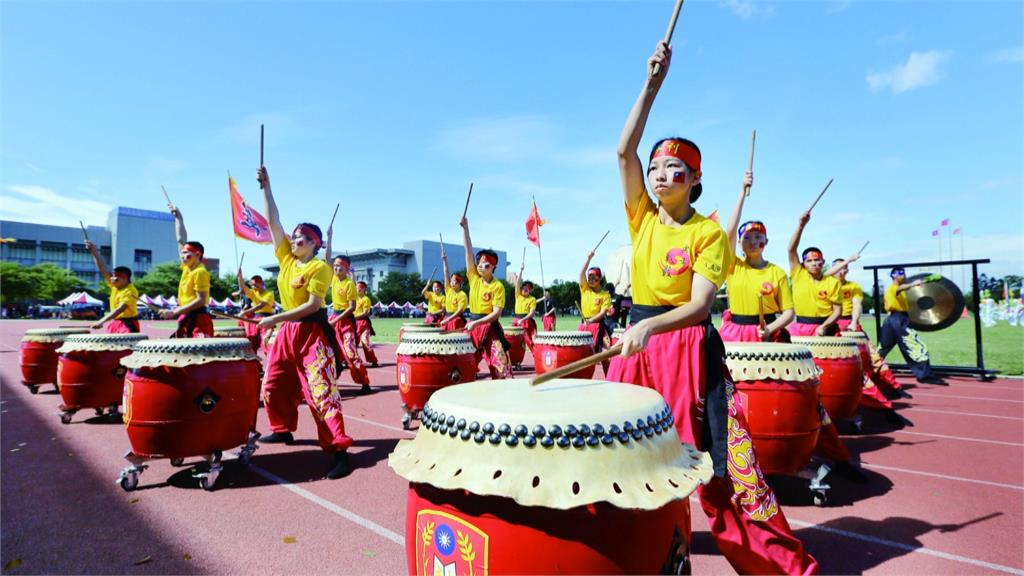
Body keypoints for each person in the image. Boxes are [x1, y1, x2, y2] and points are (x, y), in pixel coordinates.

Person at [609, 40, 817, 575]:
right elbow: (622, 151)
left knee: (719, 464)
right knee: (622, 459)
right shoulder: (642, 218)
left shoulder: (707, 234)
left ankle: (778, 564)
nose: (659, 175)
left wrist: (651, 325)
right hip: (636, 346)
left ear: (696, 180)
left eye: (674, 168)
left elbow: (701, 306)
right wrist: (651, 84)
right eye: (656, 167)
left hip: (683, 348)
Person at [722, 183, 864, 482]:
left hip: (770, 338)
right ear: (740, 242)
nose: (753, 241)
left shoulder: (776, 273)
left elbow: (788, 312)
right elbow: (729, 229)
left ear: (766, 242)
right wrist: (742, 194)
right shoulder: (733, 267)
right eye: (747, 237)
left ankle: (832, 453)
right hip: (735, 335)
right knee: (725, 400)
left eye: (759, 237)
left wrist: (771, 328)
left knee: (799, 401)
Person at [254, 165, 353, 479]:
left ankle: (339, 450)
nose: (295, 240)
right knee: (273, 384)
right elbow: (273, 220)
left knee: (322, 391)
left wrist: (275, 318)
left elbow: (311, 305)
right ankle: (282, 429)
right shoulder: (286, 259)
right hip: (286, 333)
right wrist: (266, 188)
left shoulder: (319, 269)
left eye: (302, 238)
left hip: (311, 333)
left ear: (315, 244)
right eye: (294, 236)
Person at [460, 216, 511, 379]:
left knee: (500, 367)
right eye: (480, 264)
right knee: (463, 366)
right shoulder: (474, 279)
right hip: (473, 328)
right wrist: (465, 229)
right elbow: (468, 251)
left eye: (486, 265)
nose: (482, 267)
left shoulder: (498, 286)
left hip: (490, 328)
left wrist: (476, 323)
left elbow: (496, 314)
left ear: (494, 266)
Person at [880, 267, 944, 384]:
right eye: (900, 273)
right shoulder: (893, 288)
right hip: (898, 320)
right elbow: (900, 288)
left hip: (891, 321)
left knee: (882, 349)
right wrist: (913, 284)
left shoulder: (898, 290)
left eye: (904, 273)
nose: (903, 275)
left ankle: (865, 371)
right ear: (893, 275)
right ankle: (925, 376)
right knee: (918, 347)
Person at [787, 211, 841, 337]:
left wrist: (824, 327)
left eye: (817, 260)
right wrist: (801, 225)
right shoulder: (798, 274)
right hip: (800, 327)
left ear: (823, 262)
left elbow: (837, 312)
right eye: (809, 261)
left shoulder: (833, 283)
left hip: (827, 328)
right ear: (803, 264)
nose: (814, 263)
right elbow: (791, 249)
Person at [163, 203, 213, 337]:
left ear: (198, 254)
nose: (183, 256)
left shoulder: (200, 272)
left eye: (187, 253)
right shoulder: (187, 267)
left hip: (199, 319)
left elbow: (201, 300)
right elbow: (180, 240)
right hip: (186, 316)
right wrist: (178, 217)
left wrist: (175, 311)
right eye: (182, 253)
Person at [327, 249, 372, 395]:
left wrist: (336, 320)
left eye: (340, 266)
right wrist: (329, 237)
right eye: (335, 266)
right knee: (329, 352)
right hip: (334, 319)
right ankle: (333, 375)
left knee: (351, 353)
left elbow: (351, 308)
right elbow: (327, 258)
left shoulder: (349, 284)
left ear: (347, 269)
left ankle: (365, 383)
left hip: (345, 322)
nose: (336, 268)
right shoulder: (333, 279)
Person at [84, 240, 140, 333]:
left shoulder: (130, 291)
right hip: (115, 323)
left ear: (125, 278)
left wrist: (101, 321)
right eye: (113, 276)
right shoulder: (115, 286)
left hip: (128, 324)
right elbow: (103, 269)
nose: (112, 279)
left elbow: (119, 309)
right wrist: (94, 252)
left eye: (116, 277)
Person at [578, 251, 612, 373]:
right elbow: (581, 273)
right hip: (584, 326)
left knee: (606, 354)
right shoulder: (585, 289)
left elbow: (603, 313)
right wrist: (588, 259)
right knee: (581, 356)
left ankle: (610, 378)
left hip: (598, 326)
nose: (591, 280)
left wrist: (591, 320)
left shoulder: (605, 295)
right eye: (590, 278)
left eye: (594, 278)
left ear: (599, 279)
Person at [236, 268, 275, 354]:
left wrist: (245, 312)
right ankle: (256, 366)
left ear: (261, 283)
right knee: (252, 345)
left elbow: (261, 305)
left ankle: (270, 364)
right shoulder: (253, 292)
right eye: (253, 285)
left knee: (265, 344)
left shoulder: (269, 293)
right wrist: (240, 277)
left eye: (256, 285)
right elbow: (243, 287)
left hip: (266, 319)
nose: (254, 287)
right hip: (255, 320)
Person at [438, 248, 468, 332]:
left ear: (460, 284)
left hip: (456, 320)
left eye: (454, 281)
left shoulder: (462, 295)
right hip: (447, 318)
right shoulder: (448, 290)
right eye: (451, 281)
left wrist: (448, 319)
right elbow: (446, 272)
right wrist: (444, 260)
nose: (451, 283)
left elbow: (459, 311)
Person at [512, 263, 539, 351]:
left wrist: (522, 320)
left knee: (530, 341)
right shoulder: (518, 295)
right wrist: (521, 270)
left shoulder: (532, 299)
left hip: (527, 321)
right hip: (517, 320)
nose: (525, 289)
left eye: (528, 288)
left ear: (530, 290)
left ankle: (537, 357)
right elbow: (517, 283)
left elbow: (531, 313)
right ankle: (515, 360)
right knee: (514, 342)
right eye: (524, 287)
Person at [354, 281, 379, 367]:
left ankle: (373, 360)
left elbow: (366, 312)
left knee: (365, 342)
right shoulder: (354, 298)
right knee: (352, 343)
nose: (357, 289)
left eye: (359, 288)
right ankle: (350, 360)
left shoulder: (366, 299)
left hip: (364, 323)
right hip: (354, 323)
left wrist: (355, 317)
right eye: (356, 288)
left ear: (364, 289)